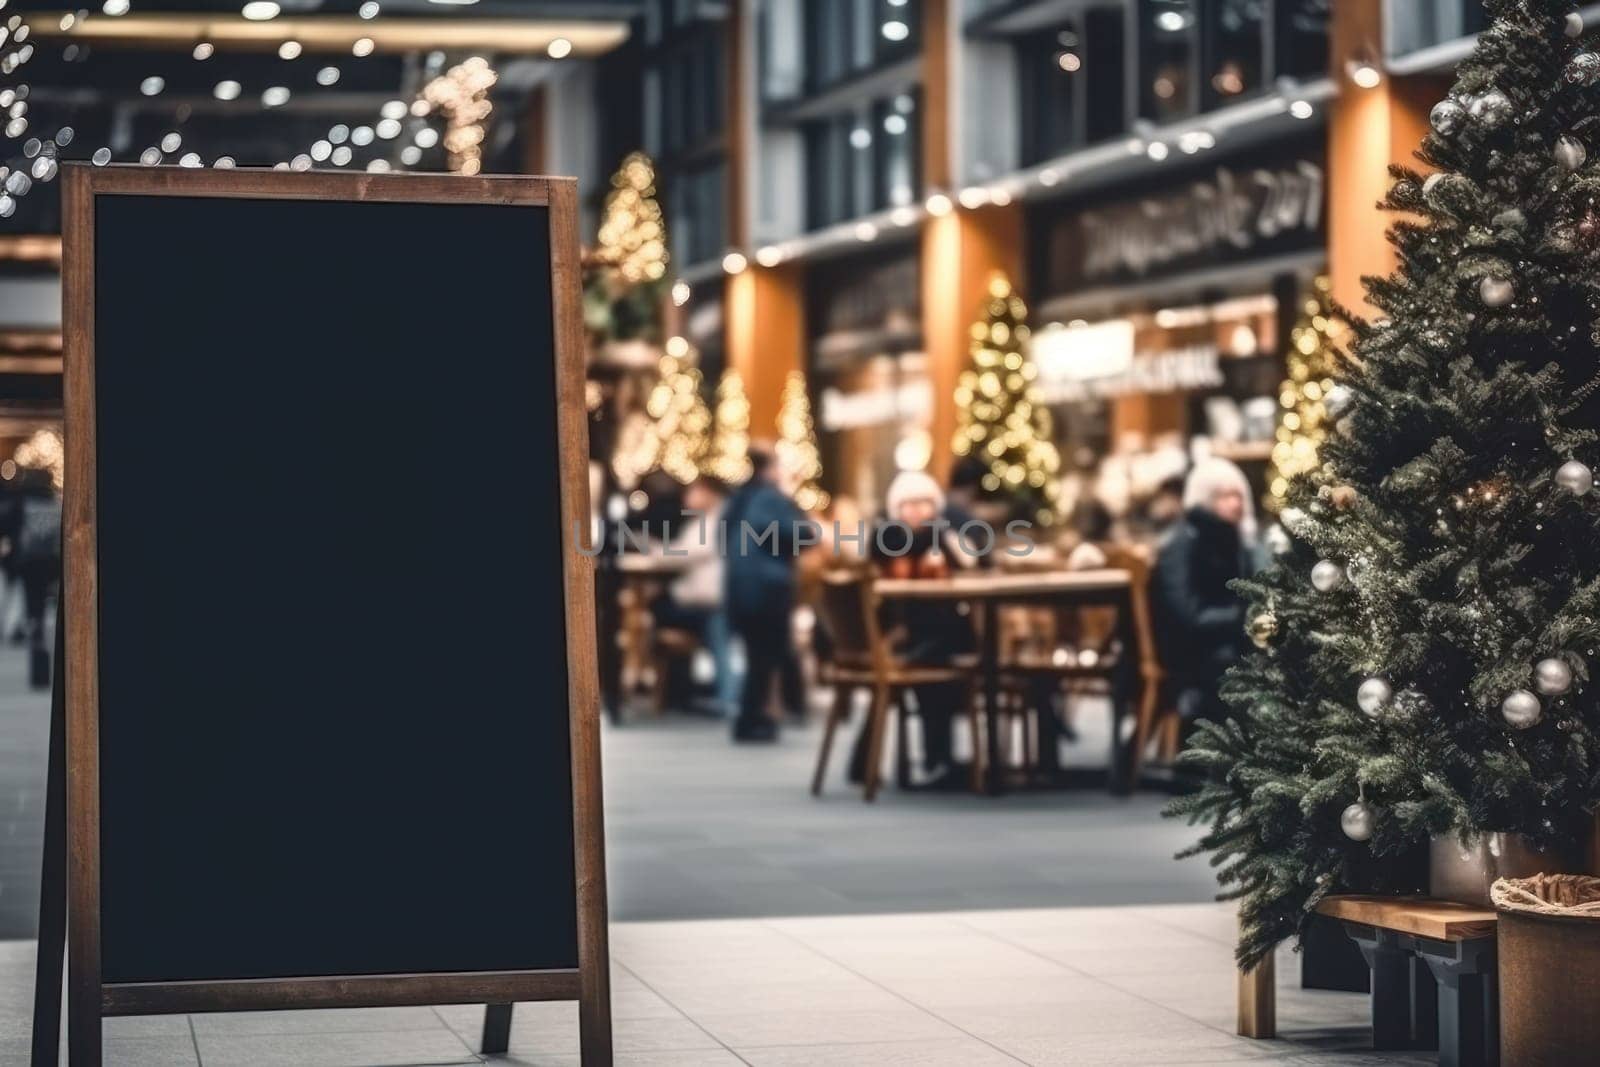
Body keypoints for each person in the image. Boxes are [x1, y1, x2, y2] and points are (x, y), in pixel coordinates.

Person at [857, 470, 978, 787]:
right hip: (898, 637)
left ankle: (942, 759)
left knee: (965, 651)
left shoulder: (942, 537)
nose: (917, 511)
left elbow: (976, 560)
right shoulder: (888, 537)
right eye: (909, 504)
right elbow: (902, 549)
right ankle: (938, 759)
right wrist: (940, 534)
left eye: (925, 503)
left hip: (929, 633)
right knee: (939, 661)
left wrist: (950, 540)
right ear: (896, 508)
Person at [1152, 458, 1259, 731]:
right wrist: (1241, 618)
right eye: (1225, 496)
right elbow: (1186, 615)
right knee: (1235, 662)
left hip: (1216, 639)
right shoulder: (1183, 542)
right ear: (1205, 500)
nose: (1236, 503)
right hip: (1185, 651)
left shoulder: (1230, 540)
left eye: (1238, 495)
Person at [723, 445, 817, 742]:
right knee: (766, 655)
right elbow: (796, 533)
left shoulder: (739, 499)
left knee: (757, 655)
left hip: (739, 586)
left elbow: (721, 539)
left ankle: (755, 716)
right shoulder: (769, 498)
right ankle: (752, 719)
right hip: (767, 588)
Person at [650, 476, 735, 715]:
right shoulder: (706, 520)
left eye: (693, 491)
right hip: (708, 599)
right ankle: (683, 691)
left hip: (710, 599)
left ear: (709, 493)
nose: (687, 497)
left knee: (658, 609)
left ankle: (678, 691)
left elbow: (686, 553)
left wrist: (655, 550)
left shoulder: (718, 520)